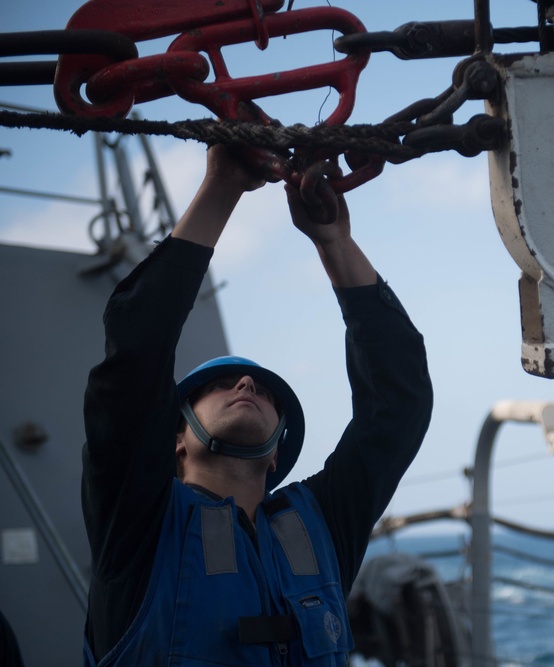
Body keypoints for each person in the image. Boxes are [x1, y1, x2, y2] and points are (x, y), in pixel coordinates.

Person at [81, 145, 433, 666]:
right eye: (219, 385)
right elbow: (137, 351)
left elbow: (397, 405)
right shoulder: (136, 524)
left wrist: (335, 241)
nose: (247, 383)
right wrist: (221, 187)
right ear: (175, 438)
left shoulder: (325, 523)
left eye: (265, 392)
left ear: (276, 455)